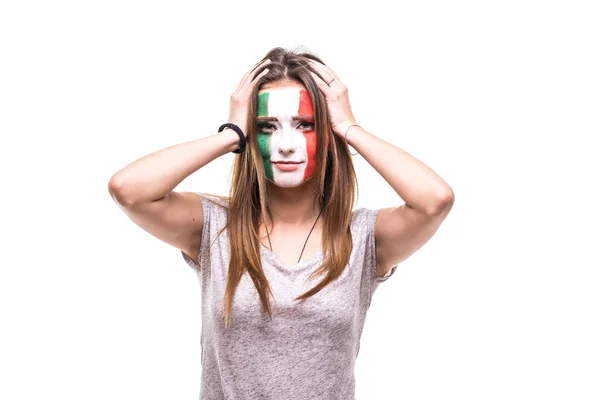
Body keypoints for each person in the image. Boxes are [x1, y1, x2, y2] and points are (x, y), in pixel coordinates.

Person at [108, 47, 454, 399]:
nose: (286, 144)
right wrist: (231, 133)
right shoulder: (213, 227)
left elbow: (434, 201)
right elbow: (129, 190)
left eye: (305, 125)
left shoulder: (364, 238)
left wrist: (348, 127)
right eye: (267, 127)